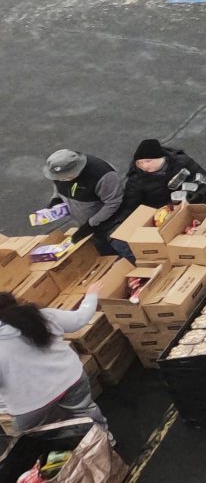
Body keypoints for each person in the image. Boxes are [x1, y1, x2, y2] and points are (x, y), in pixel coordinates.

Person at [0, 283, 108, 439]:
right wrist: (91, 295)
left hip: (31, 404)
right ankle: (105, 441)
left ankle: (70, 448)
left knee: (35, 435)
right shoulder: (41, 316)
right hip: (70, 378)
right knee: (86, 412)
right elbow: (80, 319)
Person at [45, 151, 131, 261]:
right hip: (88, 226)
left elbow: (113, 202)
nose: (63, 180)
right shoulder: (58, 174)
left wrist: (91, 223)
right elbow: (57, 187)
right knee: (106, 256)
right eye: (60, 177)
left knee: (124, 250)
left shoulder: (104, 175)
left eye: (67, 176)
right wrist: (56, 199)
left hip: (112, 223)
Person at [121, 138, 206, 216]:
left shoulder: (182, 162)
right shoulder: (136, 179)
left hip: (193, 206)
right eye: (139, 163)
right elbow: (130, 205)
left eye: (148, 161)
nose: (144, 166)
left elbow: (204, 179)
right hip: (163, 216)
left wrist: (195, 196)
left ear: (161, 158)